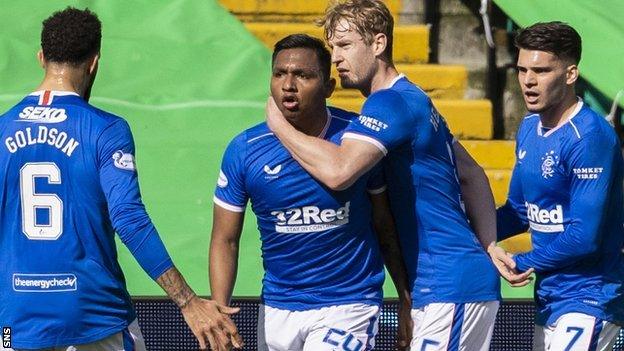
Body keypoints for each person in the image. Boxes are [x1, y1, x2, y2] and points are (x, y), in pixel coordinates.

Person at [264, 1, 533, 350]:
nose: (336, 58)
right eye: (332, 48)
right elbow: (472, 175)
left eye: (345, 46)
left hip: (448, 284)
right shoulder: (414, 98)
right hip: (443, 284)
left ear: (378, 44)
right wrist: (487, 244)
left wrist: (278, 125)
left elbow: (339, 172)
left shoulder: (389, 103)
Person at [0, 7, 241, 351]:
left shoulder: (2, 128)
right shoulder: (105, 129)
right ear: (94, 62)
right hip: (94, 320)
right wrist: (188, 301)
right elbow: (128, 218)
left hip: (13, 325)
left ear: (41, 58)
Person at [209, 33, 412, 351]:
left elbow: (384, 224)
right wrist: (220, 309)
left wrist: (405, 297)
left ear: (329, 87)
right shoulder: (244, 150)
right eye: (279, 74)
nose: (288, 85)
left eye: (303, 75)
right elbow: (225, 239)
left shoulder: (358, 138)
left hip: (349, 304)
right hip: (278, 308)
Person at [496, 21, 624, 350]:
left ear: (570, 74)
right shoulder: (527, 128)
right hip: (550, 295)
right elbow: (519, 211)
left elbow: (584, 237)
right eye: (522, 70)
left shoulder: (590, 137)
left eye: (540, 71)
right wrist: (465, 229)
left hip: (590, 295)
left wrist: (519, 261)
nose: (528, 81)